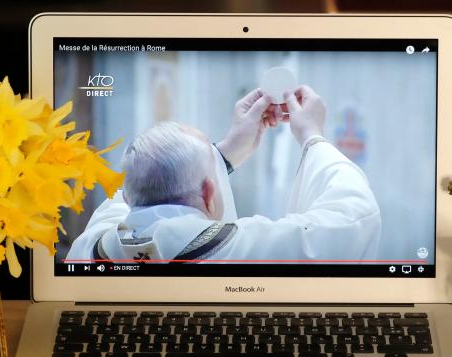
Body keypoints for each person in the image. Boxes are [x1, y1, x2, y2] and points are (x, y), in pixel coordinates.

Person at [67, 86, 381, 262]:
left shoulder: (90, 248)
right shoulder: (239, 253)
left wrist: (227, 151)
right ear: (208, 192)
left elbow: (126, 197)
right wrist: (312, 135)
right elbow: (353, 216)